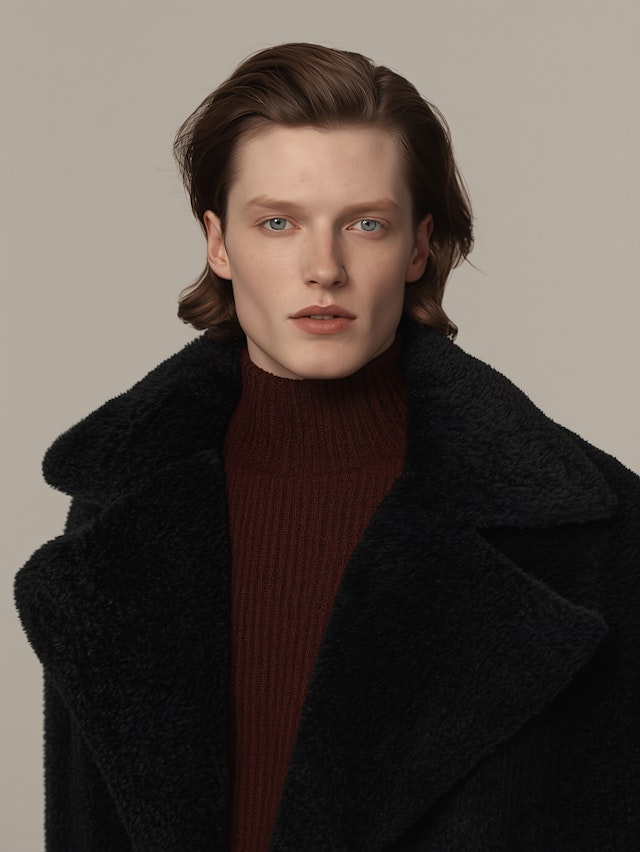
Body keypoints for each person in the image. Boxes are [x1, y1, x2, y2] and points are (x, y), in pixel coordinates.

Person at [14, 42, 640, 851]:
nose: (324, 268)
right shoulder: (117, 513)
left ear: (418, 247)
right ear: (219, 243)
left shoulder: (597, 534)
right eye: (278, 222)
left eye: (365, 224)